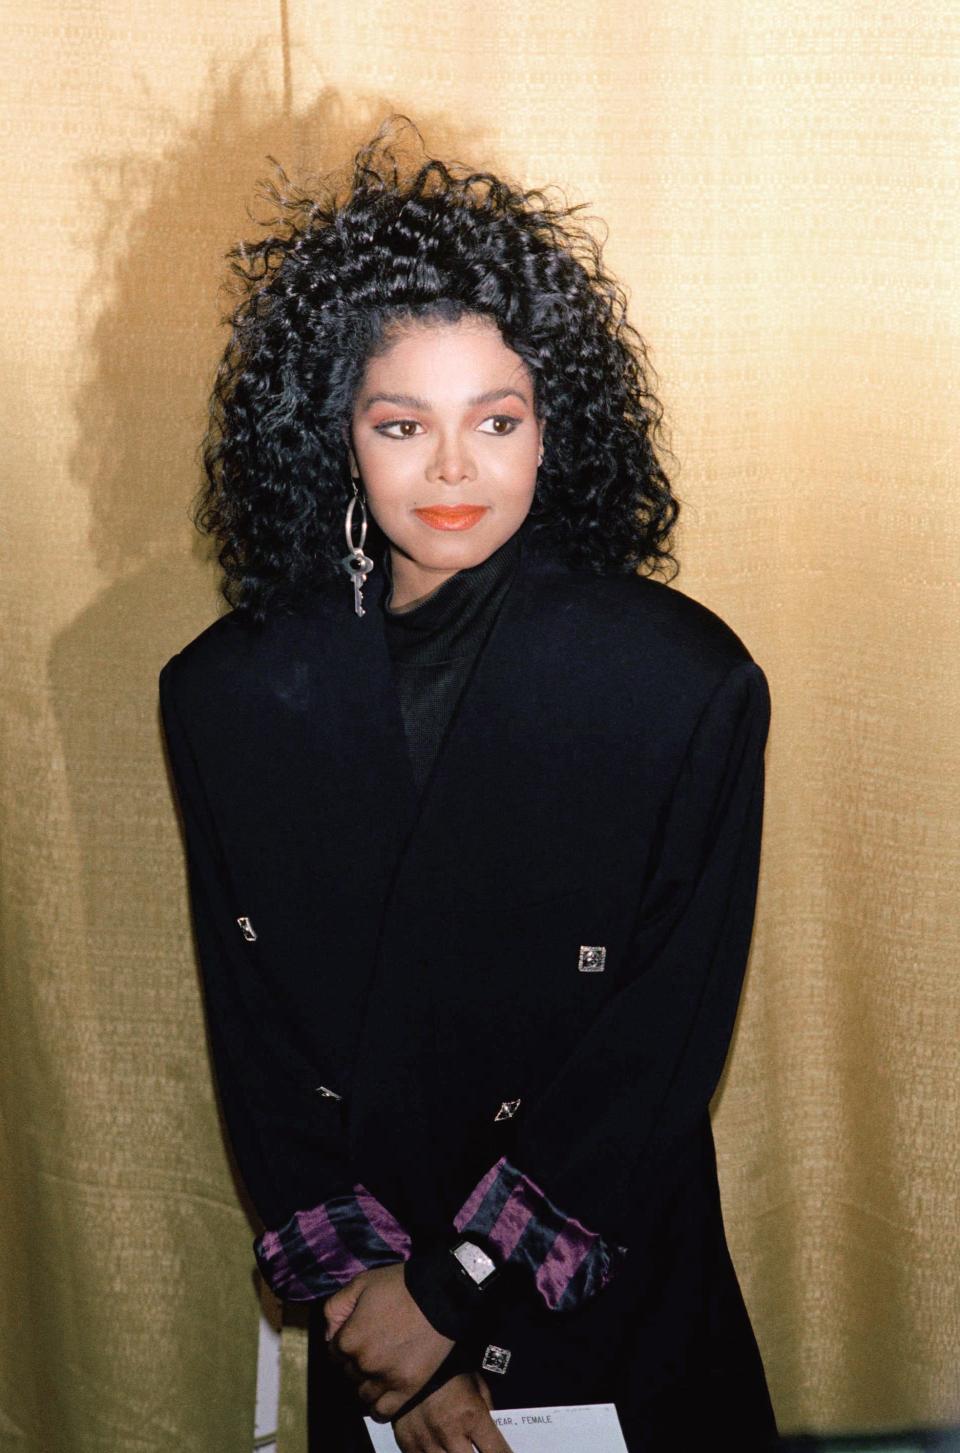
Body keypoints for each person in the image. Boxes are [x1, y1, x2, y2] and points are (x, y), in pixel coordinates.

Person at [159, 116, 778, 1452]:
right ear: (337, 434)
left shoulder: (687, 684)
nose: (452, 470)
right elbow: (258, 1039)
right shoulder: (220, 694)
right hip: (372, 1325)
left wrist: (457, 1288)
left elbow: (656, 1051)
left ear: (556, 428)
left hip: (604, 1294)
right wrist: (382, 1321)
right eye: (402, 423)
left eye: (495, 418)